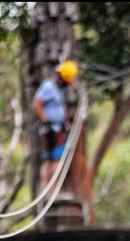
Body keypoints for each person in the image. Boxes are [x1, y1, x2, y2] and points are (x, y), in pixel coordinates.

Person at [32, 59, 78, 194]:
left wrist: (64, 121)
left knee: (51, 159)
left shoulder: (58, 90)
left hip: (57, 128)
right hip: (51, 130)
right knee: (56, 160)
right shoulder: (48, 87)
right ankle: (50, 191)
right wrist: (48, 123)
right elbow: (37, 105)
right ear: (61, 78)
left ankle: (49, 191)